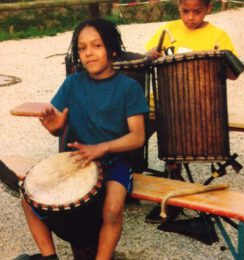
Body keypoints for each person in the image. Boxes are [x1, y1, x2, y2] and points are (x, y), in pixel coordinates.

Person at [16, 18, 149, 260]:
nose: (88, 53)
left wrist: (102, 148)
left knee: (112, 209)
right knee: (28, 199)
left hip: (115, 161)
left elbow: (137, 136)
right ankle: (49, 257)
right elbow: (57, 122)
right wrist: (54, 127)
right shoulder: (71, 84)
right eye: (82, 48)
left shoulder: (128, 88)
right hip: (78, 161)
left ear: (112, 49)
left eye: (96, 46)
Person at [143, 0, 238, 223]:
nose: (190, 17)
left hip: (192, 106)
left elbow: (234, 73)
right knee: (134, 137)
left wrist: (219, 62)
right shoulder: (168, 30)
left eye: (197, 11)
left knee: (173, 150)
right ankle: (129, 182)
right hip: (158, 101)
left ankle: (172, 198)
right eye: (185, 11)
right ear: (179, 7)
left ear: (209, 9)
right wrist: (150, 55)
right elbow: (146, 57)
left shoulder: (217, 36)